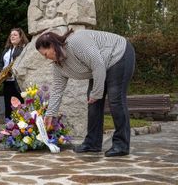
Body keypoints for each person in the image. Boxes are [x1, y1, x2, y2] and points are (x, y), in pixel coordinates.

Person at [36, 29, 135, 157]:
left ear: (52, 45)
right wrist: (50, 114)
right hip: (100, 66)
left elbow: (98, 64)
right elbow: (57, 91)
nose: (46, 58)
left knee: (115, 100)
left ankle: (121, 145)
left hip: (119, 54)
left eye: (45, 54)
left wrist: (97, 94)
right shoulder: (58, 66)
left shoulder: (76, 42)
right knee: (92, 102)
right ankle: (93, 143)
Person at [1, 28, 29, 119]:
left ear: (21, 37)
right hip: (7, 82)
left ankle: (20, 127)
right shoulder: (6, 50)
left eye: (15, 35)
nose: (12, 36)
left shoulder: (24, 49)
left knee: (19, 106)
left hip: (17, 82)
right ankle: (8, 127)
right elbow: (1, 63)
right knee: (8, 106)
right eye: (11, 35)